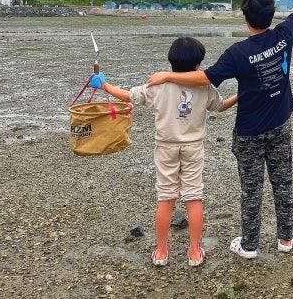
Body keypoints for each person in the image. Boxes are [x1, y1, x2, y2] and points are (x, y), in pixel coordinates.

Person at [147, 0, 293, 258]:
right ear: (271, 16)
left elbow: (204, 78)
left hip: (249, 132)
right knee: (283, 183)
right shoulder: (285, 34)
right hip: (281, 124)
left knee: (251, 190)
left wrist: (166, 76)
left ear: (245, 18)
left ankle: (250, 245)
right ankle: (285, 240)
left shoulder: (238, 53)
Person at [89, 37, 237, 267]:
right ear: (198, 65)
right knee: (193, 197)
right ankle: (195, 251)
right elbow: (221, 106)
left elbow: (129, 96)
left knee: (166, 198)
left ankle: (161, 252)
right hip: (193, 147)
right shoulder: (204, 86)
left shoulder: (157, 85)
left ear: (171, 61)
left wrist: (104, 86)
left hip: (166, 147)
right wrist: (242, 95)